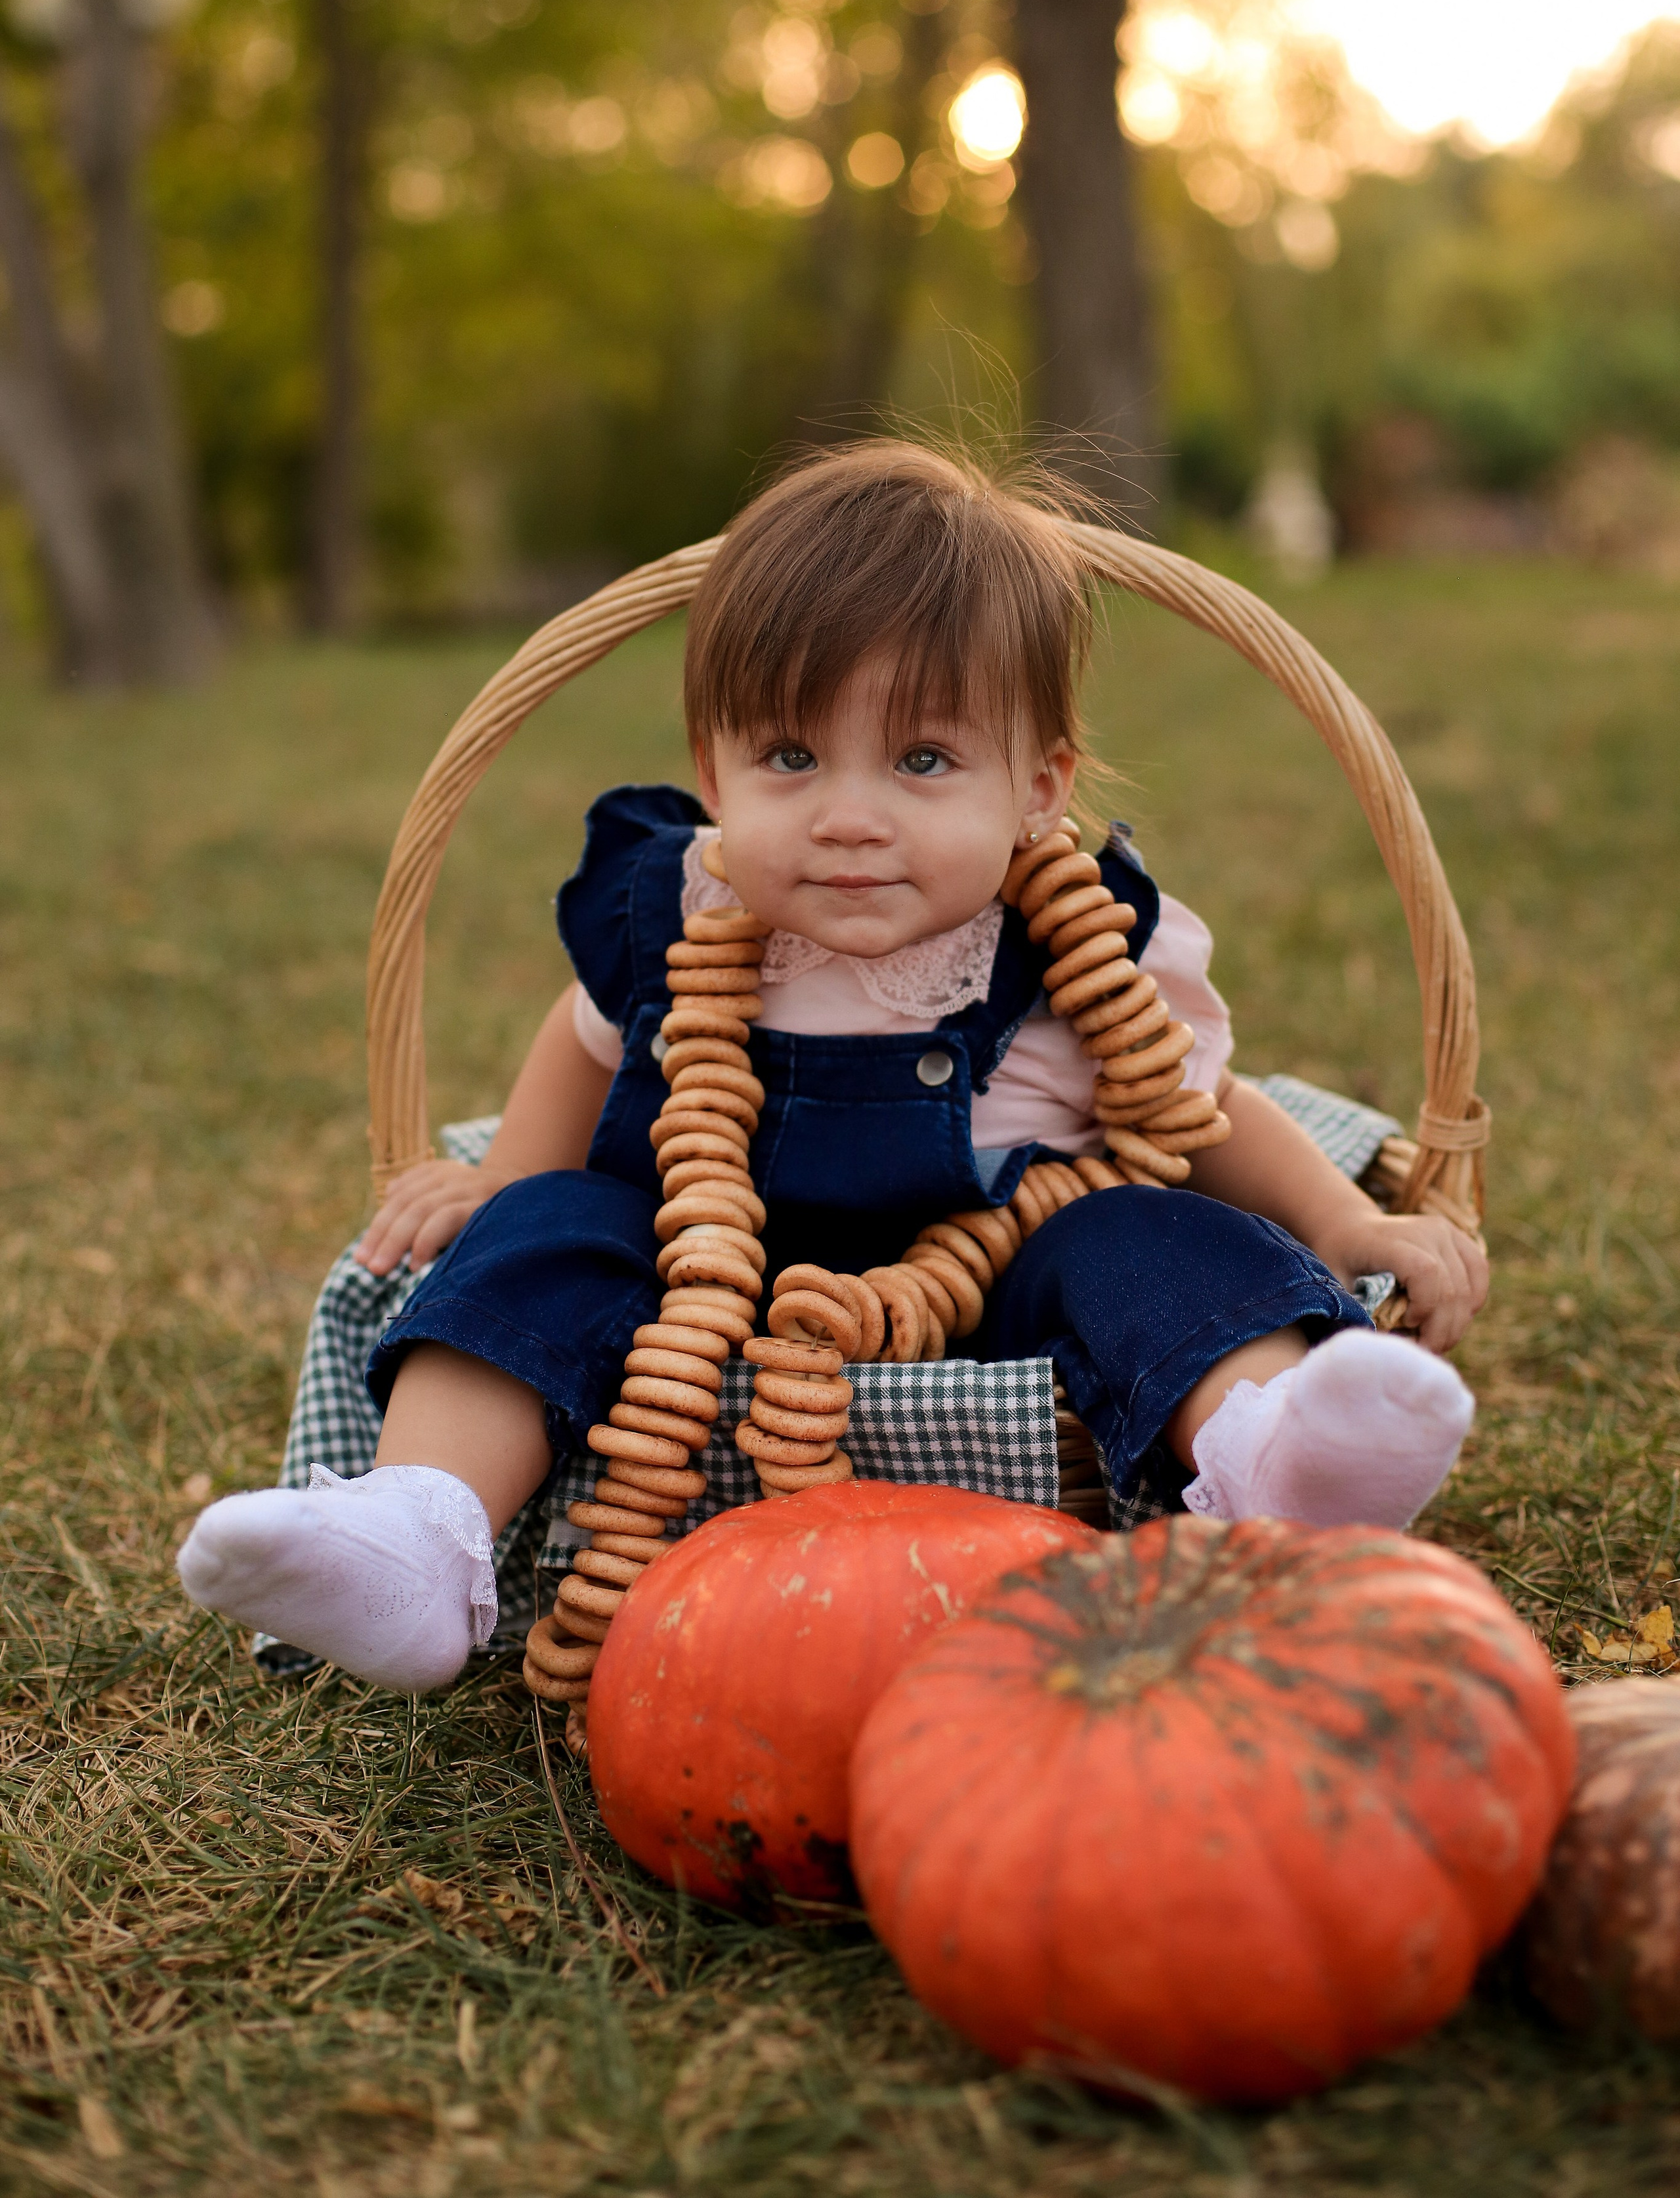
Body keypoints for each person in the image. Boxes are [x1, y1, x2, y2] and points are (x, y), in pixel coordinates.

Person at [178, 441, 1486, 1691]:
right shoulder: (677, 912)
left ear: (1039, 789)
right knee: (541, 1239)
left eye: (923, 761)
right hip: (693, 1265)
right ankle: (421, 1528)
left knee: (1154, 1241)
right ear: (712, 773)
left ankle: (1279, 1461)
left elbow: (1194, 1115)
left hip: (992, 1279)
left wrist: (1349, 1217)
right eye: (789, 758)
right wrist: (504, 1183)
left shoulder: (1072, 941)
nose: (849, 818)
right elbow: (578, 1046)